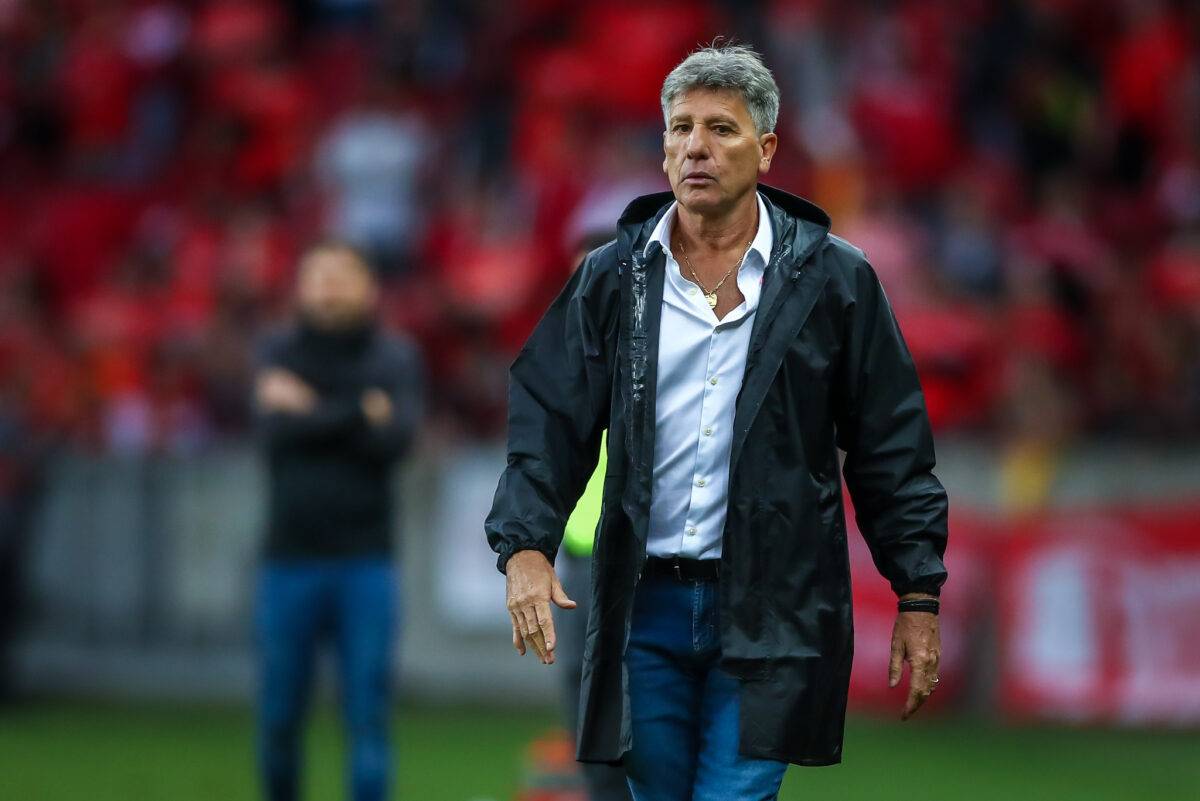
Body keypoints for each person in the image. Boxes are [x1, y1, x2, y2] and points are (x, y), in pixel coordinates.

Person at [485, 44, 948, 801]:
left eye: (721, 129)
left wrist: (918, 593)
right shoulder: (610, 276)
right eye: (681, 128)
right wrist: (525, 546)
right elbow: (547, 419)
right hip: (640, 608)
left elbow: (889, 448)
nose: (696, 146)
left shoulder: (837, 280)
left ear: (766, 150)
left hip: (774, 607)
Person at [253, 241, 423, 801]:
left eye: (341, 274)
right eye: (318, 274)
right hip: (288, 561)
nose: (328, 286)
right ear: (299, 286)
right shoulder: (276, 349)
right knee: (278, 717)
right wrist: (358, 411)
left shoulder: (394, 356)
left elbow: (395, 442)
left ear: (369, 287)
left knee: (368, 714)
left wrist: (308, 407)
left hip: (366, 560)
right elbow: (274, 434)